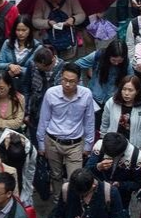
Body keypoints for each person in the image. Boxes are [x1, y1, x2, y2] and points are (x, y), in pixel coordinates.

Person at [37, 62, 96, 200]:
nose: (67, 84)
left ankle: (72, 202)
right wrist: (41, 143)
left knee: (75, 178)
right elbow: (44, 119)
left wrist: (88, 145)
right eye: (64, 80)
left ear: (78, 81)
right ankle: (58, 200)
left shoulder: (86, 95)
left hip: (75, 144)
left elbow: (89, 121)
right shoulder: (51, 93)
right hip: (52, 141)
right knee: (55, 175)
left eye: (72, 81)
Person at [100, 75, 141, 150]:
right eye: (124, 89)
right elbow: (105, 124)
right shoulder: (111, 102)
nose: (126, 93)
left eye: (130, 90)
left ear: (137, 91)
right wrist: (103, 139)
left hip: (133, 146)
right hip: (112, 145)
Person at [53, 167, 123, 218]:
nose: (80, 196)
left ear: (93, 186)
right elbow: (58, 214)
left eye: (84, 194)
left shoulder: (110, 193)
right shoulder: (67, 189)